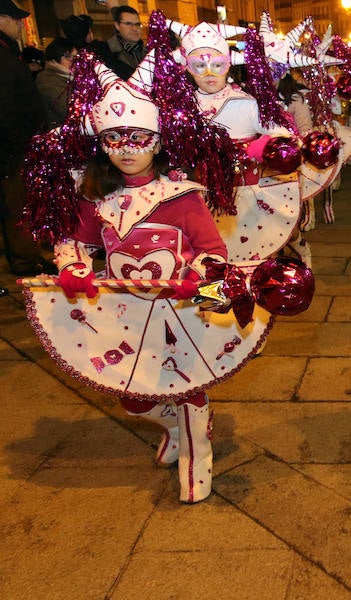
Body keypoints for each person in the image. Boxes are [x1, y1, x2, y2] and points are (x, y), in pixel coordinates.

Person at [21, 37, 264, 503]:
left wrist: (201, 282)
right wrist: (73, 266)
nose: (127, 149)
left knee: (188, 386)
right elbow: (76, 242)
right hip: (123, 312)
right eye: (115, 139)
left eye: (139, 138)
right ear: (101, 144)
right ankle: (174, 426)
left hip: (182, 311)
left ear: (159, 141)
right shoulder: (95, 195)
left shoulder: (181, 196)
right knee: (133, 397)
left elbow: (213, 252)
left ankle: (197, 454)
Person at [168, 19, 313, 265]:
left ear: (228, 64)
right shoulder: (181, 107)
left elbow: (286, 136)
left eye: (217, 64)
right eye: (199, 65)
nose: (209, 73)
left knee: (251, 261)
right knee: (210, 260)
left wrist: (263, 147)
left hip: (246, 198)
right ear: (187, 67)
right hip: (199, 199)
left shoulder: (246, 103)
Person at [0, 0, 53, 276]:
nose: (21, 25)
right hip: (13, 150)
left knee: (26, 204)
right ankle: (25, 261)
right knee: (17, 205)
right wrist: (19, 144)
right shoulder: (3, 57)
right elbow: (6, 106)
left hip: (21, 145)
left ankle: (30, 256)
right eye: (16, 19)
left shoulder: (9, 52)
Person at [35, 38, 75, 129]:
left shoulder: (68, 76)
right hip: (61, 132)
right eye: (68, 56)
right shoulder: (48, 81)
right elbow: (70, 111)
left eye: (75, 57)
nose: (73, 61)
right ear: (56, 57)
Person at [104, 5, 146, 79]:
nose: (135, 28)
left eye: (137, 24)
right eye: (128, 24)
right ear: (117, 26)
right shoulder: (106, 54)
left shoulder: (148, 52)